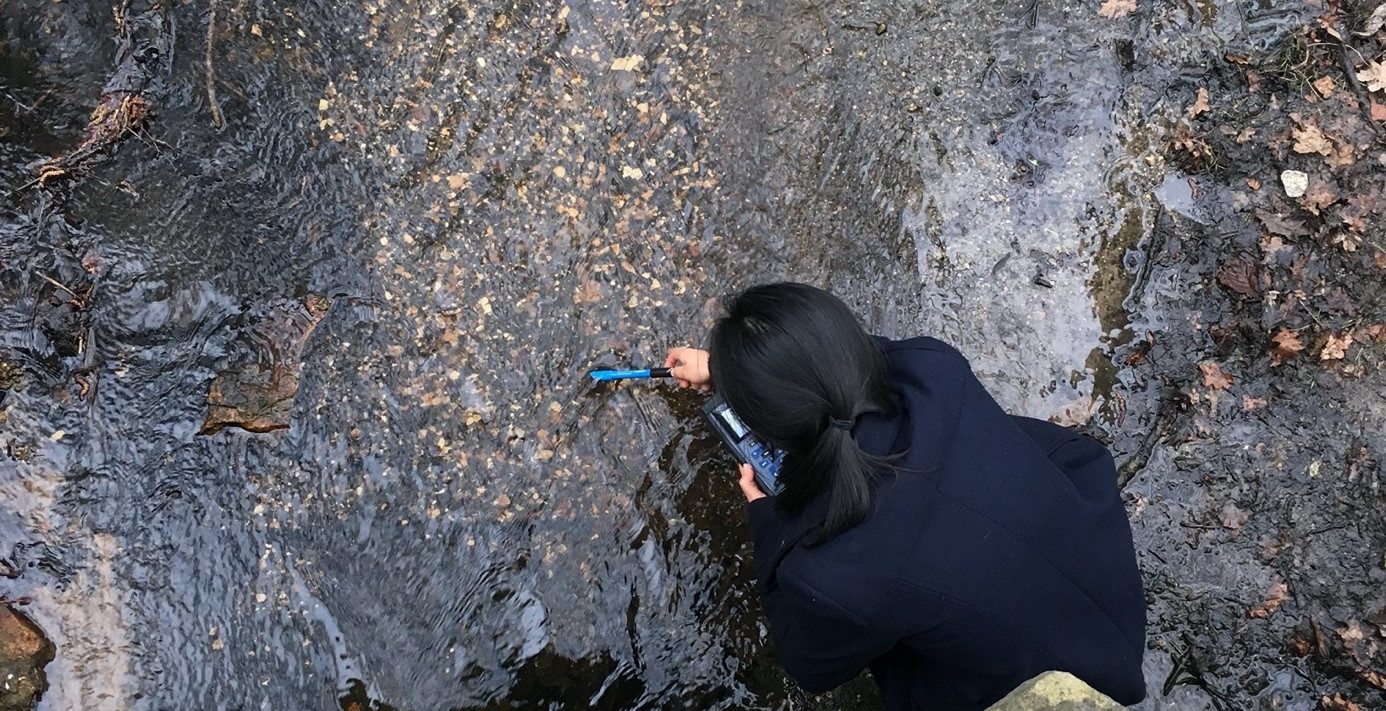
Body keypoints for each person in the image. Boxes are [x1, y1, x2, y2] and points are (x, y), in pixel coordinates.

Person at [663, 282, 1146, 710]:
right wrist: (735, 369)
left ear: (771, 424)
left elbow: (809, 666)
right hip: (1104, 580)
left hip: (1034, 684)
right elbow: (848, 362)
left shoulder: (833, 573)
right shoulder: (931, 367)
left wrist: (768, 521)